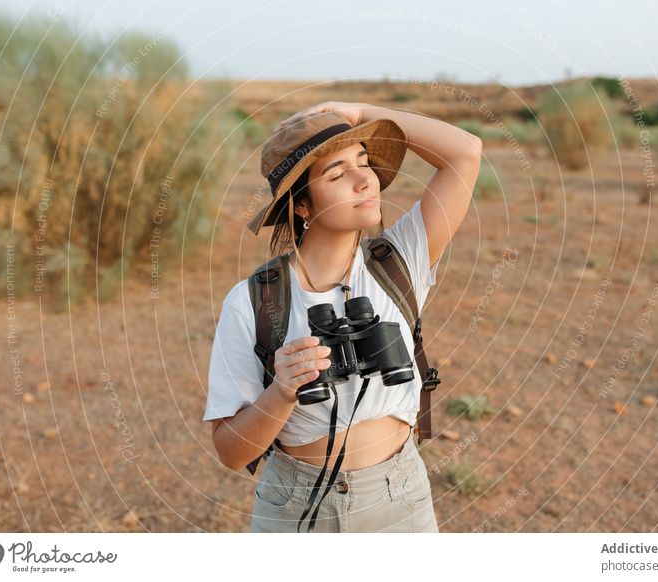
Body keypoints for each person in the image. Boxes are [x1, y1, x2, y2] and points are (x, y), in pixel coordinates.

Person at [204, 101, 482, 532]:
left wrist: (359, 113)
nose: (364, 180)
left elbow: (465, 152)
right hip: (295, 504)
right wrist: (281, 391)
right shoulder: (252, 303)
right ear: (302, 207)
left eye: (364, 161)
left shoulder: (399, 260)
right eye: (336, 174)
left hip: (399, 495)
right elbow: (230, 452)